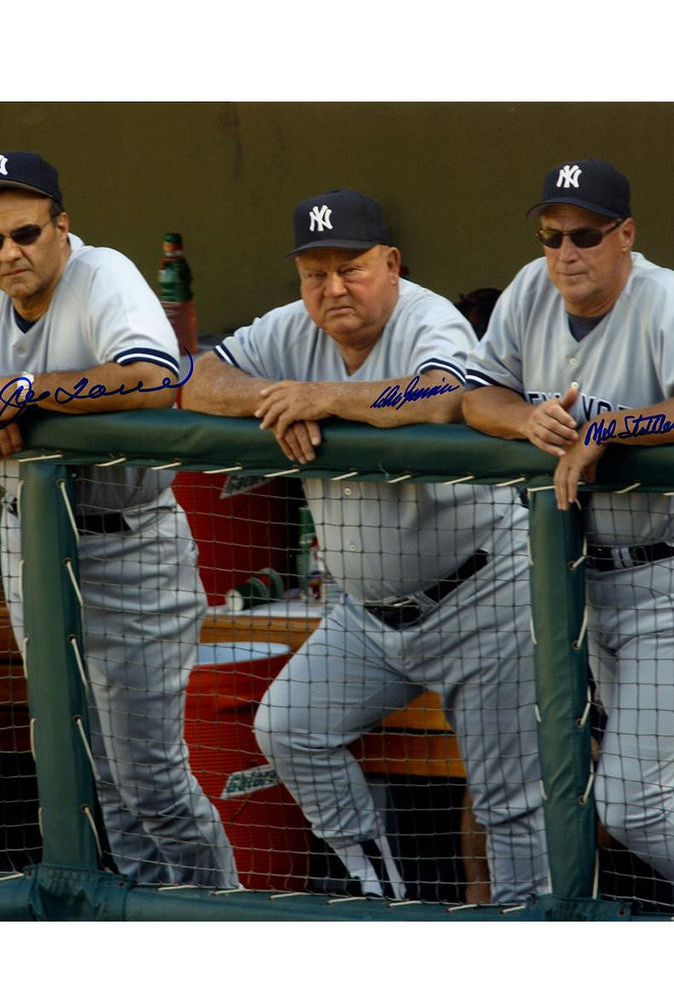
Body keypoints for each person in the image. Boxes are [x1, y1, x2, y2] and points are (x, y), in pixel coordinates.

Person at [182, 188, 547, 902]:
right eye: (315, 273)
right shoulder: (295, 328)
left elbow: (441, 395)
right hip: (368, 620)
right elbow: (191, 375)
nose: (332, 288)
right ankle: (385, 902)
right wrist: (274, 400)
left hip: (481, 595)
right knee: (289, 729)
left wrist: (321, 400)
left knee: (511, 806)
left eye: (350, 268)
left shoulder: (427, 316)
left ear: (391, 263)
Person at [0, 151, 237, 888]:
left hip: (127, 542)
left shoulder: (104, 275)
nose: (9, 253)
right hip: (31, 540)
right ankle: (149, 911)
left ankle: (218, 912)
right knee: (87, 773)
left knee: (150, 780)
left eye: (25, 234)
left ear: (62, 227)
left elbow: (152, 378)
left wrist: (19, 391)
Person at [463, 159, 674, 916]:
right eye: (551, 235)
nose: (566, 253)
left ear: (625, 234)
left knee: (630, 801)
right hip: (587, 576)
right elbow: (475, 392)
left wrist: (612, 430)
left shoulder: (665, 300)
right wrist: (522, 419)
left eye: (586, 235)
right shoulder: (533, 289)